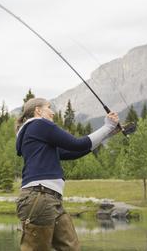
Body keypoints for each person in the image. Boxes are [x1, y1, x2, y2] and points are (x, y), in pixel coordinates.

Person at [15, 97, 120, 251]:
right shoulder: (39, 125)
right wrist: (108, 125)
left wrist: (107, 132)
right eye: (49, 107)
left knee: (71, 247)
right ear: (38, 110)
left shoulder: (37, 134)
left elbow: (74, 152)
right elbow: (77, 144)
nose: (52, 112)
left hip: (50, 199)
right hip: (40, 197)